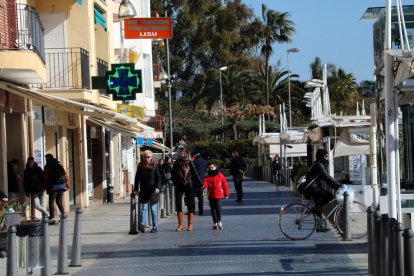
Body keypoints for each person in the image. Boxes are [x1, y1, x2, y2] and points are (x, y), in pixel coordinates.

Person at [305, 149, 341, 231]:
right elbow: (327, 177)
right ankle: (315, 210)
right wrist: (339, 185)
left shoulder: (318, 163)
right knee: (329, 196)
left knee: (319, 207)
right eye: (326, 156)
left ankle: (320, 227)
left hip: (311, 187)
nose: (327, 158)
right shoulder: (319, 165)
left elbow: (326, 178)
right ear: (321, 156)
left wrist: (335, 186)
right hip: (312, 187)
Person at [171, 148, 201, 231]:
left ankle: (190, 224)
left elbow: (195, 173)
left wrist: (199, 183)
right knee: (178, 204)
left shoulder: (190, 162)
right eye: (180, 153)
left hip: (188, 185)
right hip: (179, 186)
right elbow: (172, 173)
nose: (181, 154)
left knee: (190, 204)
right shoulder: (176, 163)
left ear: (186, 154)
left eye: (183, 153)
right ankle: (180, 224)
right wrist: (174, 182)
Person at [134, 150, 161, 233]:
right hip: (144, 190)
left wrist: (157, 187)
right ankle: (142, 225)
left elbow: (158, 178)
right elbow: (137, 178)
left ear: (151, 157)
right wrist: (136, 189)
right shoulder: (140, 166)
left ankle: (155, 226)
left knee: (153, 210)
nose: (146, 158)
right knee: (144, 208)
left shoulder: (155, 165)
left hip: (153, 191)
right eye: (145, 157)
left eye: (148, 157)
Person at [203, 162, 230, 230]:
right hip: (211, 195)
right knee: (213, 210)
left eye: (212, 167)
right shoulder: (207, 176)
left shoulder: (220, 175)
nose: (211, 168)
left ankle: (219, 222)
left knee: (218, 209)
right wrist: (203, 185)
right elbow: (205, 183)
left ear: (215, 167)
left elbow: (224, 185)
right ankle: (215, 223)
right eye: (210, 168)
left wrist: (226, 194)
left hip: (218, 195)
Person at [44, 154, 70, 224]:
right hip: (62, 186)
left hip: (54, 186)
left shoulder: (48, 166)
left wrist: (46, 187)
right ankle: (64, 215)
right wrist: (67, 185)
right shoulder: (59, 165)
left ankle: (51, 217)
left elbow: (46, 178)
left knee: (51, 201)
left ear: (47, 159)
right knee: (59, 201)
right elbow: (65, 175)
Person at [191, 150, 207, 215]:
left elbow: (192, 172)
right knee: (200, 197)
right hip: (202, 181)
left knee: (192, 197)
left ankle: (193, 211)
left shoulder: (195, 162)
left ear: (195, 155)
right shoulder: (205, 161)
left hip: (195, 181)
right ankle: (201, 211)